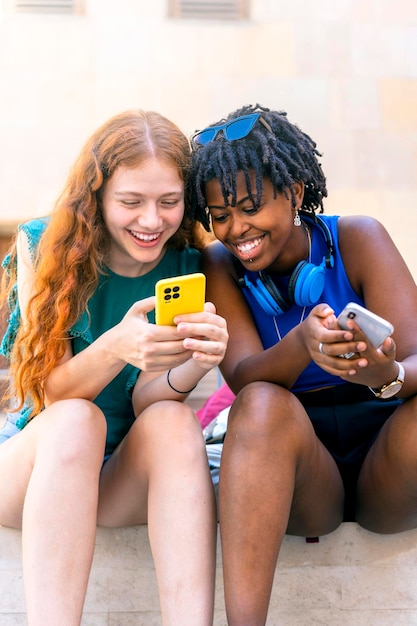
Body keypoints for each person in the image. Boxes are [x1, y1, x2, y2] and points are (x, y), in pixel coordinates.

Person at [188, 103, 417, 625]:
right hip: (301, 470)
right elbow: (243, 377)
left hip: (390, 460)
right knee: (263, 403)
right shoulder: (220, 265)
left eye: (250, 207)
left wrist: (385, 376)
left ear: (293, 192)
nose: (237, 229)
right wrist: (301, 346)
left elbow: (415, 355)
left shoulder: (358, 238)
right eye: (220, 216)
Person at [0, 109, 229, 626]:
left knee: (173, 421)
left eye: (169, 203)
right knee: (79, 420)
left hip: (119, 478)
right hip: (40, 472)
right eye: (131, 202)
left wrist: (197, 361)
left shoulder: (188, 263)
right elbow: (47, 396)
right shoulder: (44, 244)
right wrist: (113, 347)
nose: (152, 221)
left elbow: (151, 399)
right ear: (97, 197)